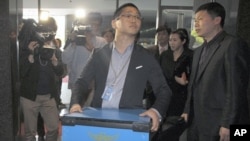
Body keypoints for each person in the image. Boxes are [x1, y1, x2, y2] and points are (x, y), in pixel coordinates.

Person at [69, 3, 172, 133]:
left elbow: (164, 89)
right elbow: (81, 82)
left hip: (130, 123)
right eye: (128, 15)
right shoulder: (99, 54)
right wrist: (76, 103)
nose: (134, 19)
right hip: (98, 120)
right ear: (114, 23)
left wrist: (156, 110)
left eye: (138, 17)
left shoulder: (146, 57)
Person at [181, 2, 250, 141]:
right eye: (195, 20)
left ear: (217, 20)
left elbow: (236, 89)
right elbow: (193, 85)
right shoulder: (198, 51)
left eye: (200, 19)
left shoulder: (233, 45)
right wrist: (187, 110)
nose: (196, 23)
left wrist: (228, 123)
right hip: (196, 123)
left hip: (219, 123)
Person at [19, 17, 63, 141]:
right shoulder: (28, 47)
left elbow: (61, 72)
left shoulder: (55, 50)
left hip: (49, 96)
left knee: (54, 128)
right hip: (29, 97)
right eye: (43, 31)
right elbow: (20, 72)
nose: (46, 35)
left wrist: (54, 60)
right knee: (29, 133)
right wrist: (30, 55)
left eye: (49, 32)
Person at [62, 12, 107, 106]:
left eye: (97, 25)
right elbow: (65, 59)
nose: (95, 27)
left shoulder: (102, 42)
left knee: (92, 111)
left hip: (95, 84)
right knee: (76, 109)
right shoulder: (77, 40)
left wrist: (89, 44)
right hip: (77, 82)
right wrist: (72, 43)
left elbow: (104, 62)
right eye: (92, 24)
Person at [157, 28, 193, 141]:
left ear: (183, 41)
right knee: (163, 131)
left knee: (177, 129)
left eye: (175, 40)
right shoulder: (165, 55)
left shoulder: (191, 55)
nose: (171, 43)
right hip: (165, 96)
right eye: (170, 40)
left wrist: (184, 82)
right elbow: (159, 73)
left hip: (182, 98)